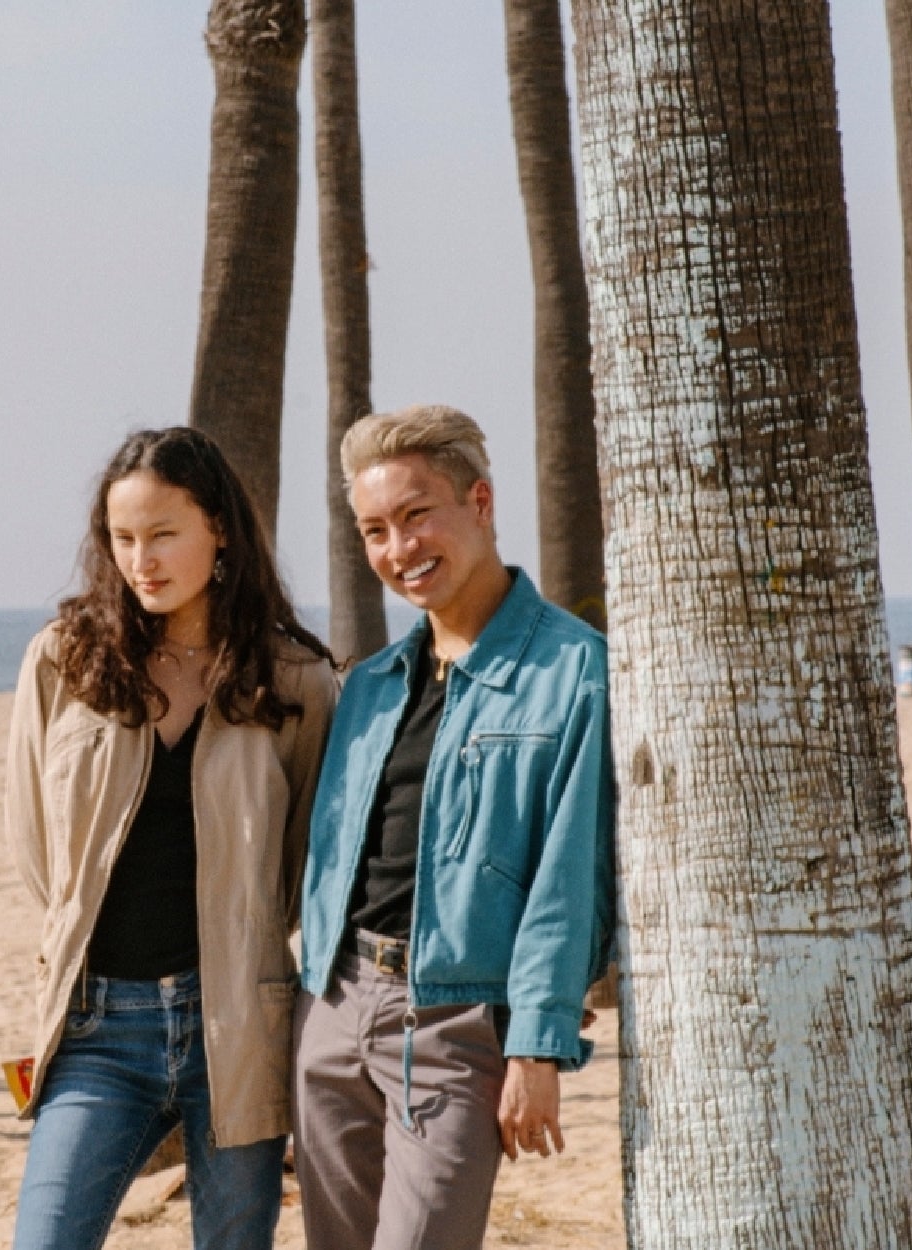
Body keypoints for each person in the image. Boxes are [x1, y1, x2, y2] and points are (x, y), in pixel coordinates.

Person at [290, 405, 615, 1250]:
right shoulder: (370, 684)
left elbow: (567, 875)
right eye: (374, 530)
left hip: (458, 1024)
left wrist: (539, 1045)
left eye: (415, 514)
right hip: (332, 1007)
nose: (399, 548)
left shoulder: (573, 670)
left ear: (480, 502)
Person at [6, 427, 338, 1250]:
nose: (140, 560)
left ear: (218, 528)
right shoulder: (63, 661)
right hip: (96, 1025)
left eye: (163, 534)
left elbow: (302, 864)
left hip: (237, 1020)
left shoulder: (293, 678)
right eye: (122, 538)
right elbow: (37, 847)